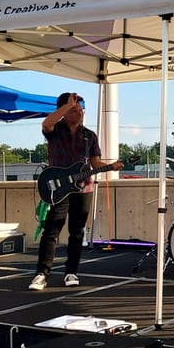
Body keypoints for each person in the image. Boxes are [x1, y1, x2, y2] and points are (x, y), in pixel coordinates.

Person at [28, 93, 124, 291]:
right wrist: (66, 106)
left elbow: (95, 163)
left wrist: (111, 167)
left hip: (83, 188)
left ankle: (71, 271)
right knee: (51, 231)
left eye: (81, 110)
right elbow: (46, 124)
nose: (80, 114)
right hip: (58, 188)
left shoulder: (89, 135)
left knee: (77, 232)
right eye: (75, 110)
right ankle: (41, 273)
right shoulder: (55, 130)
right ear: (64, 112)